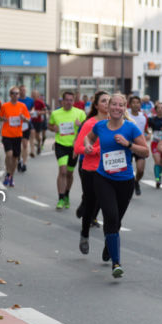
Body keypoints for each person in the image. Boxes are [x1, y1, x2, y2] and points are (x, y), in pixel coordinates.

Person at [83, 93, 148, 278]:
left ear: (124, 107)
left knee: (116, 221)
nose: (117, 108)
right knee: (110, 217)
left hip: (125, 181)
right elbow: (89, 138)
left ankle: (108, 244)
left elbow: (146, 151)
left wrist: (128, 145)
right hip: (103, 178)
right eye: (114, 104)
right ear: (109, 107)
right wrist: (88, 146)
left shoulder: (131, 128)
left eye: (121, 105)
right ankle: (116, 263)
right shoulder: (100, 126)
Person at [74, 91, 109, 255]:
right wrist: (93, 150)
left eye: (110, 101)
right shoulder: (90, 124)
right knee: (91, 204)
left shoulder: (118, 124)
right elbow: (78, 147)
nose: (108, 104)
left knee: (109, 207)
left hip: (111, 171)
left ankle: (110, 243)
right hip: (91, 169)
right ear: (96, 105)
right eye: (104, 101)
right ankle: (84, 234)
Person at [48, 92, 87, 209]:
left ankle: (66, 195)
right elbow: (50, 125)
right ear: (62, 101)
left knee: (70, 173)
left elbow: (87, 128)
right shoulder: (55, 113)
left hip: (74, 147)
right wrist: (53, 128)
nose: (69, 102)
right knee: (63, 171)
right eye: (67, 100)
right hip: (60, 145)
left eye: (71, 100)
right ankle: (60, 198)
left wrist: (80, 125)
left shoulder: (80, 113)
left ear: (73, 101)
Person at [0, 87, 31, 188]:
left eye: (17, 93)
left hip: (17, 135)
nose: (15, 95)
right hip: (7, 134)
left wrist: (23, 118)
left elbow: (28, 119)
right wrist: (3, 118)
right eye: (13, 93)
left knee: (15, 158)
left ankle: (10, 176)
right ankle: (8, 173)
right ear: (10, 95)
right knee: (9, 154)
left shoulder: (22, 106)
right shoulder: (5, 106)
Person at [128, 95, 148, 196]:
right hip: (127, 145)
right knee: (128, 169)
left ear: (140, 104)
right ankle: (129, 185)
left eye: (138, 102)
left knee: (140, 170)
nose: (136, 105)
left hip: (139, 146)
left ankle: (136, 182)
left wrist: (147, 135)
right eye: (133, 102)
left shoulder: (143, 117)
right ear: (130, 104)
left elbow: (145, 131)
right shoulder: (125, 115)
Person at [18, 85, 34, 172]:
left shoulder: (30, 100)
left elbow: (33, 109)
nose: (23, 92)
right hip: (17, 125)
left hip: (26, 124)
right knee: (18, 144)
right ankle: (19, 160)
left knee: (25, 144)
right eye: (21, 90)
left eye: (24, 90)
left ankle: (24, 163)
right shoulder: (17, 100)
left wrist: (30, 112)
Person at [30, 90, 47, 156]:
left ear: (37, 95)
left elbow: (45, 111)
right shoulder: (30, 102)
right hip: (31, 121)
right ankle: (32, 150)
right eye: (32, 94)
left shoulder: (40, 102)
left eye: (34, 94)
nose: (33, 96)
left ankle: (39, 143)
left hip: (38, 121)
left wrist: (39, 112)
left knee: (37, 135)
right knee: (32, 134)